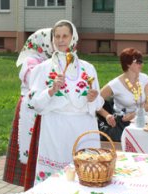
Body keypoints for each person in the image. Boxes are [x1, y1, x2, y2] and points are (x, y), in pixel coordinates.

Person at [27, 20, 104, 185]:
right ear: (52, 39)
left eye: (65, 36)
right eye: (57, 36)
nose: (61, 40)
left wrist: (92, 98)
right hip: (56, 128)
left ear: (73, 38)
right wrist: (51, 90)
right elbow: (34, 103)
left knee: (86, 173)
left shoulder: (88, 68)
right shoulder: (43, 69)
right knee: (56, 181)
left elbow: (98, 103)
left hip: (84, 126)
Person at [2, 28, 53, 188]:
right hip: (29, 110)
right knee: (31, 147)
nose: (55, 43)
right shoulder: (31, 61)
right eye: (52, 39)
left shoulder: (48, 59)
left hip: (42, 106)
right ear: (43, 42)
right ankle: (30, 184)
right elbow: (34, 82)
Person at [97, 48, 148, 142]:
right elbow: (95, 101)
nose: (141, 64)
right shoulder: (115, 84)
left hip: (141, 121)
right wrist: (107, 116)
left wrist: (134, 114)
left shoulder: (145, 79)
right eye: (138, 62)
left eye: (142, 61)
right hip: (122, 125)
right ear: (128, 64)